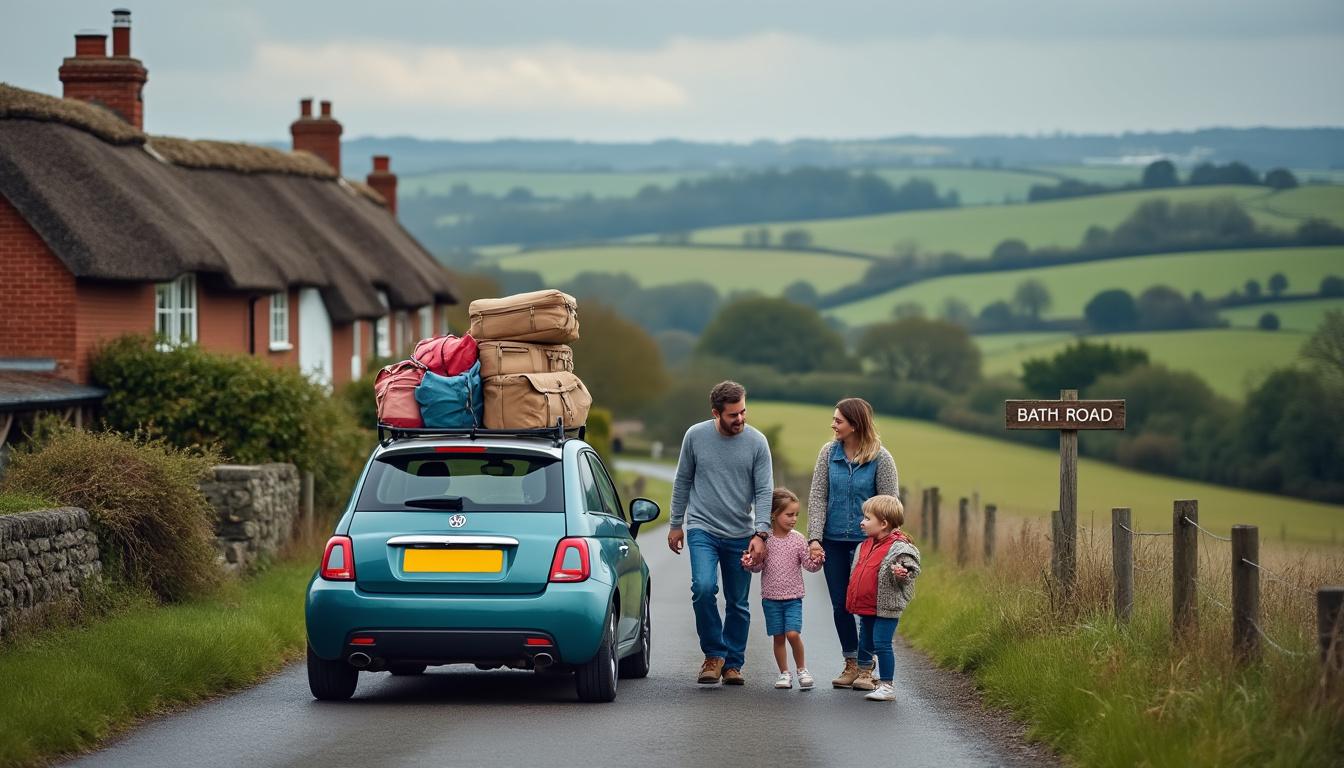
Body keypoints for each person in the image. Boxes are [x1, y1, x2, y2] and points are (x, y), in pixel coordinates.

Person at [668, 380, 774, 686]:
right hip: (703, 527)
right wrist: (676, 524)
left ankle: (733, 664)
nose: (740, 419)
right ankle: (714, 655)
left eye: (743, 412)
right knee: (703, 588)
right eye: (733, 415)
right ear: (716, 413)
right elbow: (682, 480)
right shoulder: (695, 436)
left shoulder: (757, 442)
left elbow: (765, 490)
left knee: (738, 602)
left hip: (742, 531)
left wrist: (761, 533)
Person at [805, 397, 899, 690]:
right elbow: (818, 497)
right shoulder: (827, 454)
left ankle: (866, 666)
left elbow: (890, 506)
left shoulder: (881, 459)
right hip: (832, 540)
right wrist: (815, 539)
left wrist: (887, 545)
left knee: (867, 605)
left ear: (855, 425)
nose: (833, 425)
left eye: (838, 421)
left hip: (867, 544)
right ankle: (850, 662)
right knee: (840, 604)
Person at [742, 488, 823, 690]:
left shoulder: (798, 539)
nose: (794, 519)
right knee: (778, 637)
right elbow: (758, 567)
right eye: (789, 514)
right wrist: (749, 562)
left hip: (793, 597)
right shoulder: (765, 540)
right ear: (774, 514)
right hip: (770, 598)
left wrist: (818, 560)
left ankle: (802, 670)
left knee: (793, 634)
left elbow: (808, 565)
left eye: (796, 514)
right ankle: (784, 673)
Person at [844, 494, 920, 703]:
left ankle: (887, 686)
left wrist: (902, 572)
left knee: (882, 643)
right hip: (867, 605)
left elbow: (910, 567)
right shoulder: (865, 545)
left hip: (886, 605)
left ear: (884, 523)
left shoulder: (899, 547)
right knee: (867, 641)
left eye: (867, 518)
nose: (862, 522)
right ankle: (870, 673)